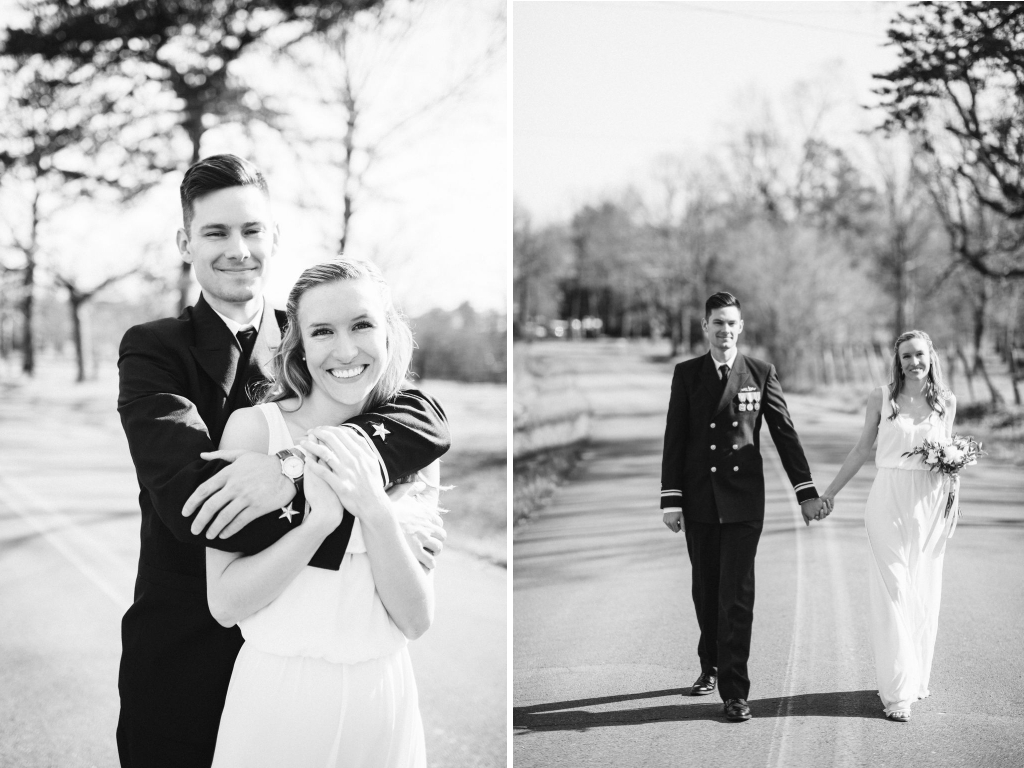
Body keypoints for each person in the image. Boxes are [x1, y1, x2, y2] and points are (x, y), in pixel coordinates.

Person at [116, 154, 450, 768]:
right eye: (215, 231)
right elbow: (195, 502)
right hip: (188, 645)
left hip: (337, 672)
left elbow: (424, 423)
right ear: (185, 241)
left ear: (275, 238)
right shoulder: (154, 349)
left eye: (252, 230)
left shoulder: (321, 335)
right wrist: (364, 517)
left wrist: (290, 465)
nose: (237, 249)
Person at [207, 259, 437, 767]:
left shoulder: (409, 446)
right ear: (300, 346)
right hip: (278, 700)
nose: (346, 350)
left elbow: (416, 619)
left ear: (389, 332)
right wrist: (320, 524)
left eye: (362, 325)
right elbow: (224, 603)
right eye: (323, 331)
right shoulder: (254, 431)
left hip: (382, 699)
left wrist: (375, 513)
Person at [660, 292, 827, 723]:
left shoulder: (760, 373)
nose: (724, 330)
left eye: (731, 323)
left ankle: (735, 691)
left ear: (741, 327)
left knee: (736, 596)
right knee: (705, 592)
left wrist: (806, 493)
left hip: (742, 502)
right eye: (717, 322)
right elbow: (674, 439)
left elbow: (785, 435)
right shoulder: (687, 374)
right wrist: (671, 499)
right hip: (697, 501)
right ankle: (710, 664)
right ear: (704, 326)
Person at [819, 330, 956, 722]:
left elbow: (949, 459)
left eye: (919, 354)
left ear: (931, 356)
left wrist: (952, 499)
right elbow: (863, 448)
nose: (914, 362)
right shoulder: (881, 398)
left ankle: (915, 675)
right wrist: (830, 493)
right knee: (893, 589)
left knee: (923, 589)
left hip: (930, 505)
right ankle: (898, 694)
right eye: (906, 357)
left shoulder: (946, 402)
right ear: (897, 362)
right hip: (887, 499)